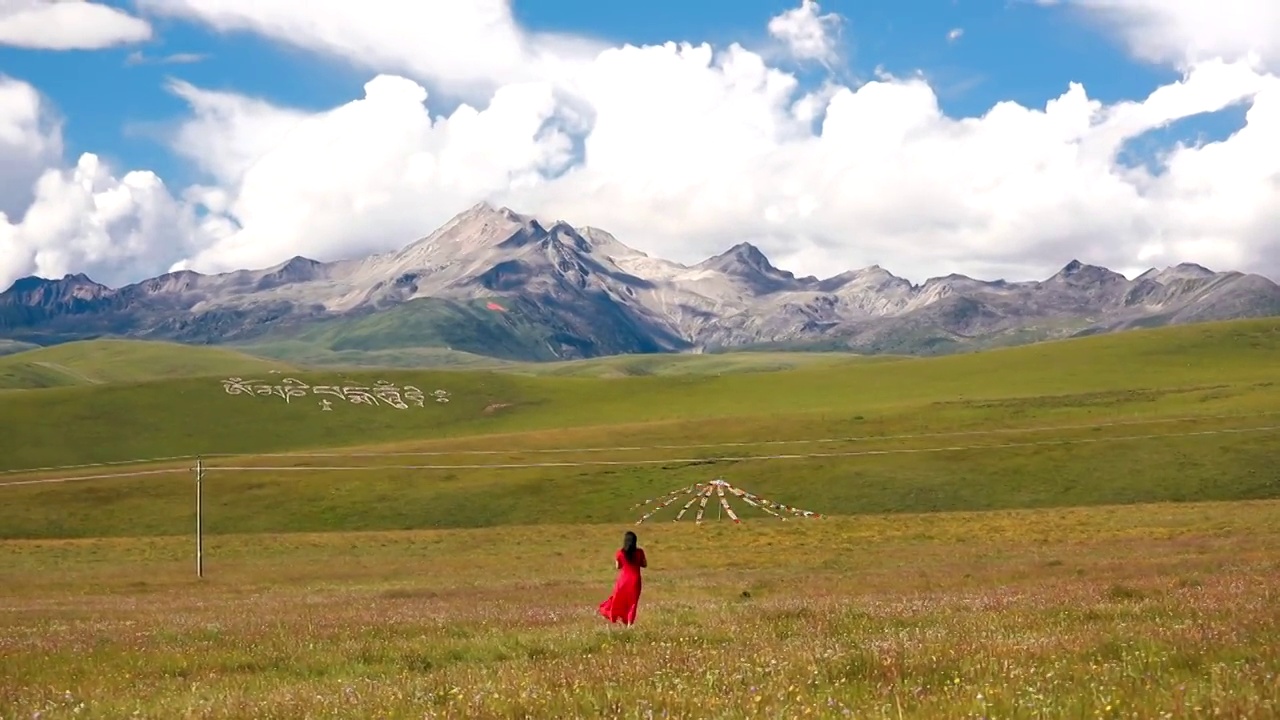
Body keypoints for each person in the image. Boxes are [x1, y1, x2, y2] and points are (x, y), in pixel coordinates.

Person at [598, 530, 647, 626]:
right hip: (635, 581)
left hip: (623, 580)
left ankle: (615, 616)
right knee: (632, 603)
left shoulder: (620, 553)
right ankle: (629, 624)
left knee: (618, 599)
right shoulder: (639, 552)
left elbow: (618, 566)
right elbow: (644, 564)